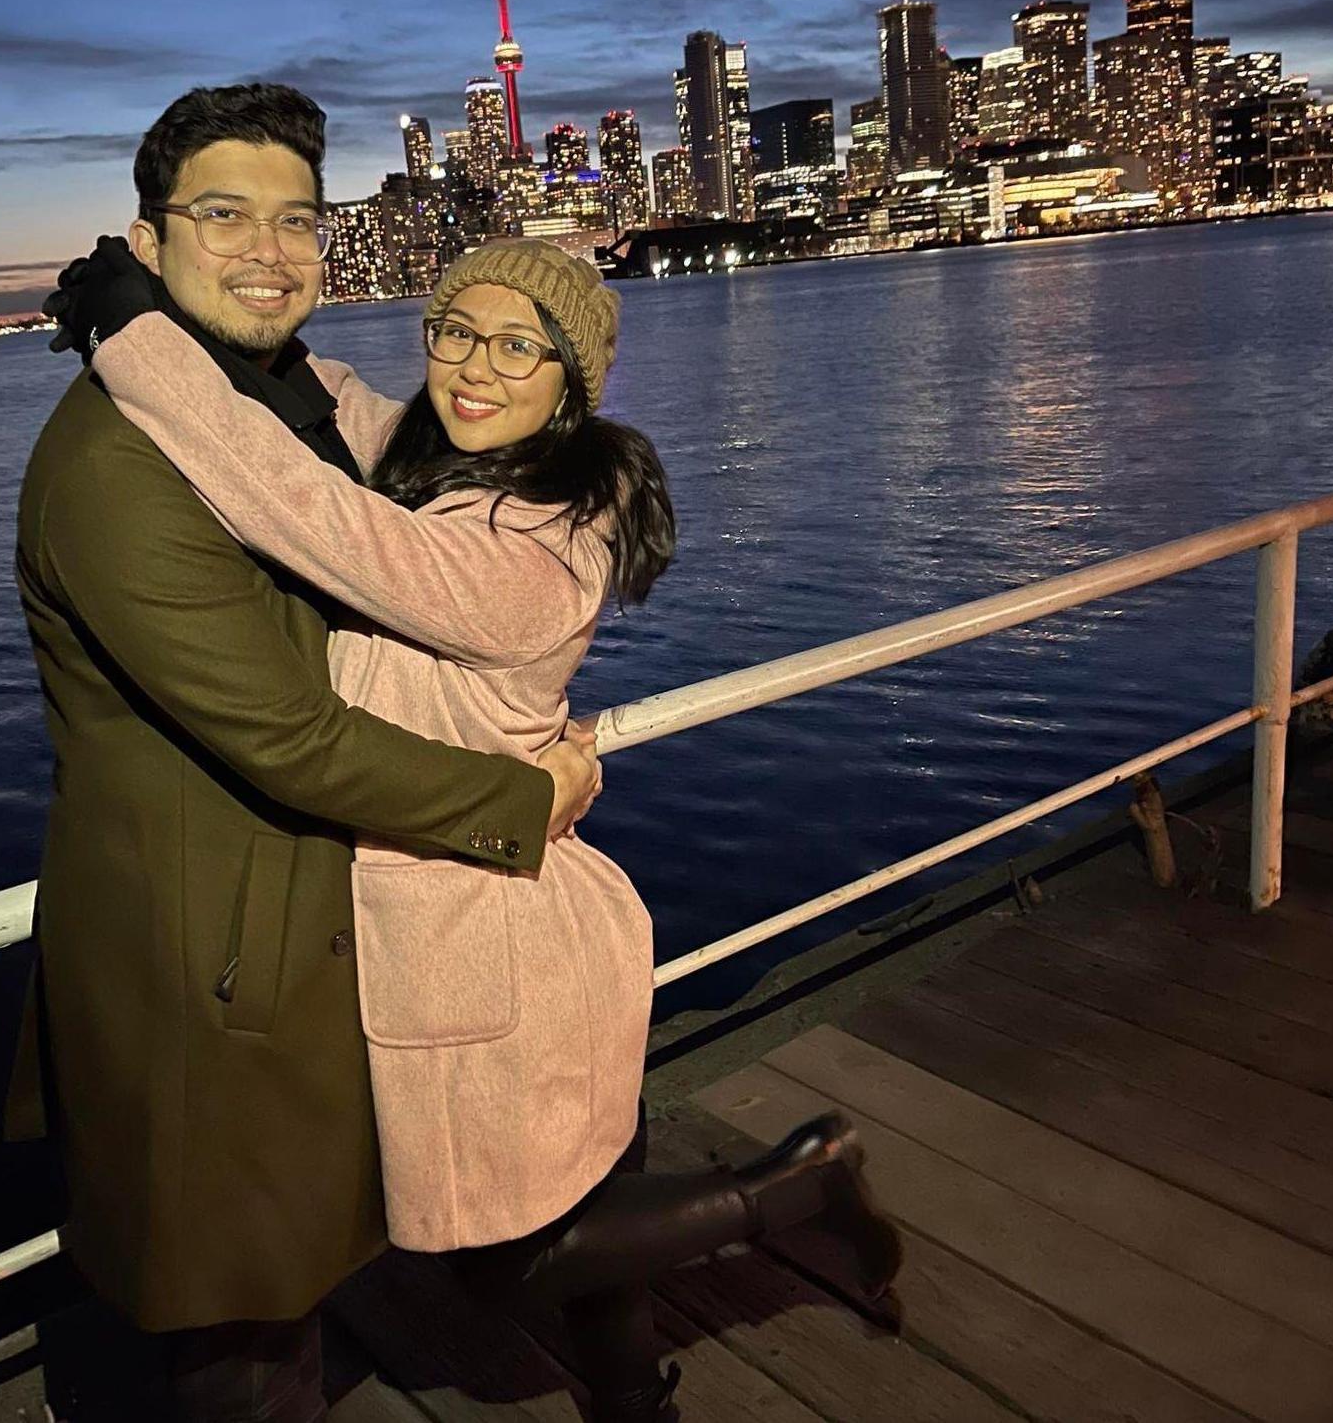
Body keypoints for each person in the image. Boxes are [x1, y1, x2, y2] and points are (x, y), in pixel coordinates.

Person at [52, 207, 903, 1416]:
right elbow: (333, 400)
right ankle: (635, 1402)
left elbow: (292, 499)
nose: (470, 366)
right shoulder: (462, 463)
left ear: (570, 383)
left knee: (508, 1251)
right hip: (509, 907)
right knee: (577, 1198)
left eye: (516, 347)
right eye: (453, 332)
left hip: (477, 945)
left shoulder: (528, 552)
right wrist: (220, 300)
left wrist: (127, 332)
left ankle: (793, 1192)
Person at [12, 83, 602, 1423]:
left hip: (296, 931)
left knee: (281, 1287)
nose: (272, 249)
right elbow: (285, 733)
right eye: (223, 215)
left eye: (298, 219)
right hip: (207, 969)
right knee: (235, 1315)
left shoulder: (276, 405)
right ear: (148, 243)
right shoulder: (117, 467)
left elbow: (371, 465)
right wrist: (526, 791)